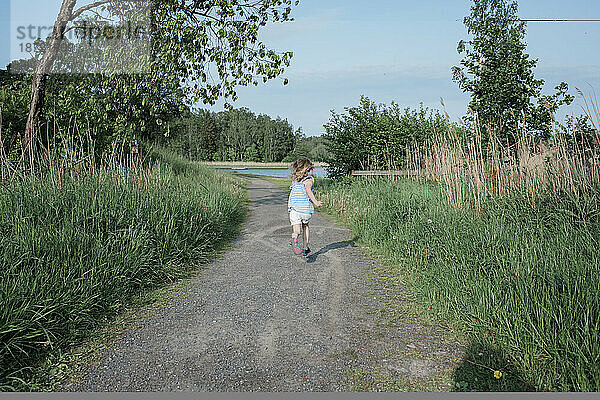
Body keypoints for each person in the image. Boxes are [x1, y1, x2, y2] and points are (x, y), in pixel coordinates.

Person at [288, 157, 323, 256]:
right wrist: (316, 202)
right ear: (308, 169)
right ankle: (305, 248)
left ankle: (294, 237)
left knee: (297, 230)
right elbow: (308, 191)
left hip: (294, 210)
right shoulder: (308, 180)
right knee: (306, 226)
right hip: (304, 210)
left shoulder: (294, 180)